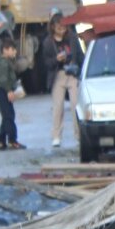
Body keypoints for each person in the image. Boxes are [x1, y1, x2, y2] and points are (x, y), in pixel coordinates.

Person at [40, 10, 83, 147]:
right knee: (58, 107)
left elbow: (80, 56)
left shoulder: (72, 38)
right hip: (58, 74)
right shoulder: (48, 42)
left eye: (64, 27)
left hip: (72, 74)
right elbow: (45, 63)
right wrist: (56, 60)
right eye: (59, 28)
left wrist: (80, 70)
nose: (62, 30)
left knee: (75, 105)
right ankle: (56, 136)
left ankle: (79, 136)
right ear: (53, 27)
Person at [0, 37, 25, 150]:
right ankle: (12, 140)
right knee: (9, 116)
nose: (15, 52)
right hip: (2, 91)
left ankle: (1, 141)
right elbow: (3, 79)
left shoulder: (8, 62)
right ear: (5, 50)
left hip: (4, 91)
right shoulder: (3, 63)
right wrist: (9, 91)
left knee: (7, 116)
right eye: (13, 49)